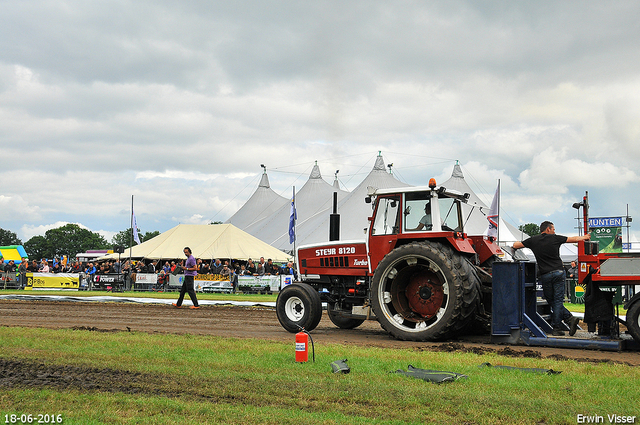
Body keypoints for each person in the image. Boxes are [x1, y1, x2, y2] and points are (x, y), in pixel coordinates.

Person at [513, 221, 590, 336]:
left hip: (545, 274)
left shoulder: (533, 240)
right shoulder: (555, 238)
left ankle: (569, 319)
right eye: (553, 229)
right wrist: (585, 237)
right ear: (548, 229)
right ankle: (558, 326)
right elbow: (573, 239)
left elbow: (516, 245)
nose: (554, 231)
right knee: (558, 300)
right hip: (559, 272)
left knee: (551, 300)